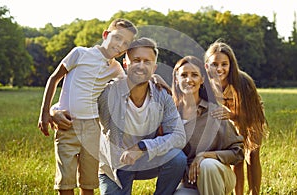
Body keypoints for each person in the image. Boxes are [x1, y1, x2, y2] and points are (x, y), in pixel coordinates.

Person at [37, 18, 137, 195]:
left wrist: (157, 79)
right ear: (105, 35)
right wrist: (45, 112)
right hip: (67, 124)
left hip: (92, 127)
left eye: (126, 43)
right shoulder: (80, 53)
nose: (120, 45)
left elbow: (133, 83)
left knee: (89, 181)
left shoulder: (115, 69)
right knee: (65, 182)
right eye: (117, 38)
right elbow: (54, 79)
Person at [97, 37, 187, 195]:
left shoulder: (162, 95)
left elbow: (179, 136)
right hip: (114, 166)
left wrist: (142, 147)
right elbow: (77, 103)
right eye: (136, 60)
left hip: (146, 159)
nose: (141, 65)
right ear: (126, 64)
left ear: (154, 67)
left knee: (177, 158)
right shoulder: (108, 93)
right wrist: (54, 111)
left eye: (147, 61)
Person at [172, 56, 245, 195]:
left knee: (207, 165)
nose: (189, 80)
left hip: (217, 175)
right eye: (183, 75)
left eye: (194, 75)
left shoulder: (214, 113)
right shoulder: (170, 115)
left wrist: (206, 155)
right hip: (189, 183)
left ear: (202, 79)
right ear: (176, 79)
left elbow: (238, 152)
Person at [204, 40, 268, 195]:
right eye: (214, 64)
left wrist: (232, 115)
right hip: (230, 121)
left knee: (252, 155)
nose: (219, 68)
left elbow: (252, 115)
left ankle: (254, 192)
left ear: (231, 64)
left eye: (224, 64)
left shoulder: (243, 82)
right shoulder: (206, 83)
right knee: (236, 156)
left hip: (252, 117)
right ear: (207, 66)